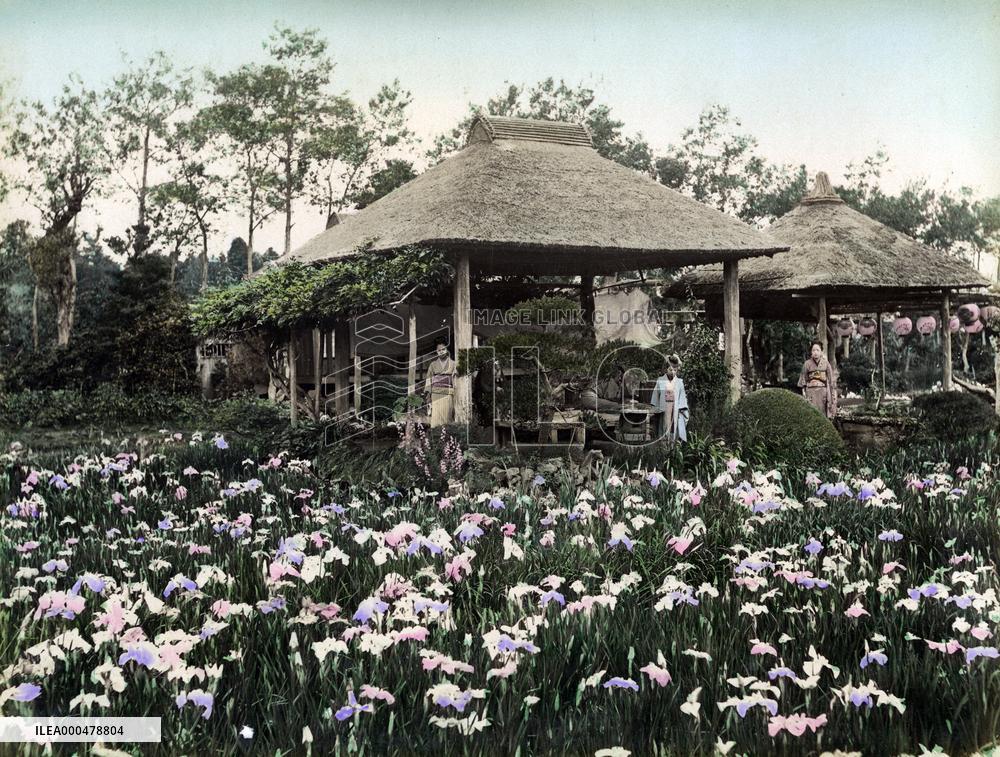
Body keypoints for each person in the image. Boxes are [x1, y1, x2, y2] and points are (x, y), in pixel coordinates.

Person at [650, 354, 689, 443]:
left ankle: (673, 452)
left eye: (675, 369)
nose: (673, 372)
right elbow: (655, 398)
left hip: (675, 411)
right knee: (663, 432)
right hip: (663, 411)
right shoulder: (660, 380)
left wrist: (682, 410)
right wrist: (655, 410)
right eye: (670, 369)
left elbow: (682, 399)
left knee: (673, 432)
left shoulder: (679, 382)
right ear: (666, 369)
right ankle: (662, 453)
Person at [798, 341, 837, 418]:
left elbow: (830, 380)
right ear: (811, 352)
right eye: (813, 350)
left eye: (817, 350)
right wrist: (804, 393)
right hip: (811, 392)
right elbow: (803, 380)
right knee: (811, 413)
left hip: (823, 392)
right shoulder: (807, 364)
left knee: (823, 414)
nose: (815, 352)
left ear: (821, 352)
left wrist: (832, 395)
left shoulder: (826, 363)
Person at [424, 342, 457, 427]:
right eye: (439, 350)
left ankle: (447, 436)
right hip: (436, 393)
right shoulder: (433, 364)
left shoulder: (453, 363)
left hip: (448, 392)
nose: (441, 351)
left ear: (446, 350)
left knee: (447, 416)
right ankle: (435, 435)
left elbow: (456, 379)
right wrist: (428, 393)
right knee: (436, 417)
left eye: (443, 349)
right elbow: (428, 379)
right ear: (436, 352)